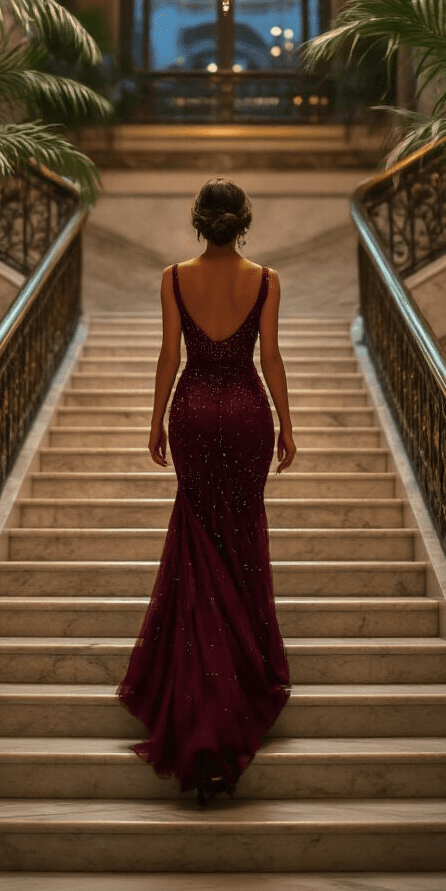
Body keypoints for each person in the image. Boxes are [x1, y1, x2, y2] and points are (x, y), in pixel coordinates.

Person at [117, 177, 296, 805]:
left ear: (199, 221)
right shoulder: (266, 280)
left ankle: (201, 699)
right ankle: (241, 681)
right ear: (243, 222)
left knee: (198, 547)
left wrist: (155, 420)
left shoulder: (173, 278)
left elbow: (170, 355)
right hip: (246, 414)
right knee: (239, 541)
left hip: (193, 412)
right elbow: (270, 359)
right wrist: (288, 424)